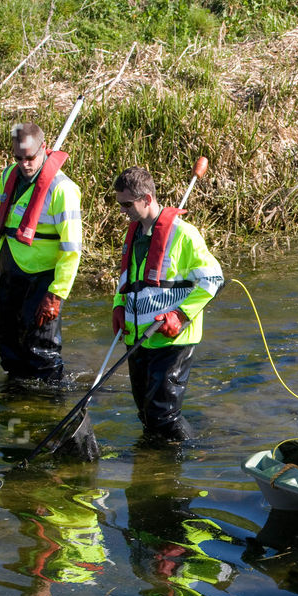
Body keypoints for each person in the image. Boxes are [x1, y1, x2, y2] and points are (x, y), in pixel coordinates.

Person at [111, 166, 223, 441]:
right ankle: (153, 465)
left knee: (163, 414)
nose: (122, 211)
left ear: (147, 199)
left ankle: (190, 458)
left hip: (172, 339)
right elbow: (129, 276)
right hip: (138, 335)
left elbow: (214, 279)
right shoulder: (135, 234)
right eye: (120, 205)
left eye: (127, 205)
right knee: (146, 413)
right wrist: (118, 304)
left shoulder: (183, 235)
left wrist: (181, 315)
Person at [0, 121, 83, 385]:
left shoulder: (62, 190)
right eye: (18, 158)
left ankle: (50, 400)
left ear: (44, 148)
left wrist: (57, 293)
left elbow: (72, 248)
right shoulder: (9, 176)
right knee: (9, 343)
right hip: (11, 266)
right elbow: (1, 215)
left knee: (41, 350)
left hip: (43, 276)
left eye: (30, 157)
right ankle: (16, 396)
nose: (25, 164)